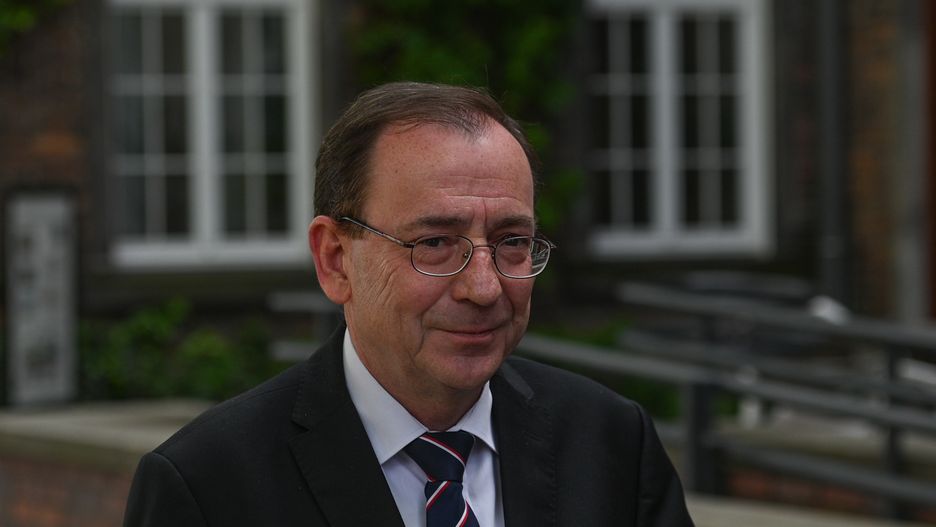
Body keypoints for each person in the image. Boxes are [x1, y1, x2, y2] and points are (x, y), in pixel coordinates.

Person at [123, 82, 694, 527]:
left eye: (512, 242)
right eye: (435, 243)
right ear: (335, 260)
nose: (484, 288)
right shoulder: (208, 485)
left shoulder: (613, 444)